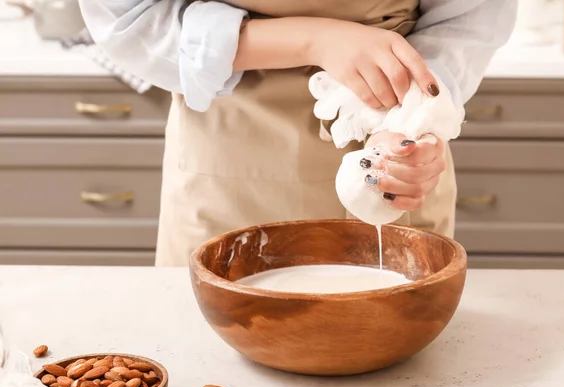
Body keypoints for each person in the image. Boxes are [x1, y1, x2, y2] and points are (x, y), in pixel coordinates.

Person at [80, 0, 517, 267]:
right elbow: (130, 21)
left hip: (392, 135)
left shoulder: (402, 130)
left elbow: (467, 22)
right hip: (223, 162)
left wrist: (409, 122)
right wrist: (313, 40)